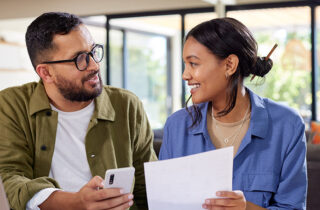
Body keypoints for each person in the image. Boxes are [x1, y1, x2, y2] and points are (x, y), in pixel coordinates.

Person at [0, 12, 157, 210]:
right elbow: (9, 178)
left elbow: (148, 185)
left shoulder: (126, 105)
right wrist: (76, 202)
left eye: (93, 52)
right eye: (79, 59)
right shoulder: (12, 105)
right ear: (46, 72)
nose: (94, 65)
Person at [159, 17, 307, 210]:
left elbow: (293, 207)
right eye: (185, 64)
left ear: (229, 65)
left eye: (193, 64)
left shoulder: (287, 125)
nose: (185, 75)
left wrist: (247, 208)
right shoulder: (176, 126)